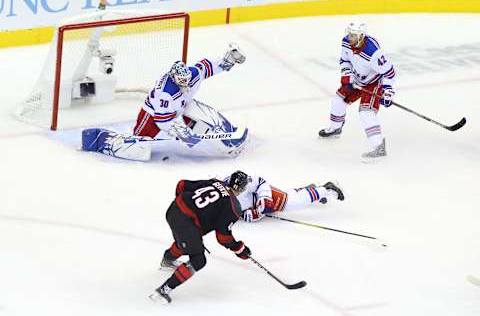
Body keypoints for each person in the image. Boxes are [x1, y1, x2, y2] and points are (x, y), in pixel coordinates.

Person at [81, 43, 248, 161]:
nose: (186, 84)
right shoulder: (166, 94)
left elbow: (208, 65)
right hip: (153, 114)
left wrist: (228, 59)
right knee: (139, 148)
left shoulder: (192, 73)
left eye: (187, 80)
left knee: (206, 117)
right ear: (174, 78)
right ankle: (105, 140)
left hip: (182, 106)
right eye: (181, 81)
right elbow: (163, 120)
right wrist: (181, 131)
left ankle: (231, 139)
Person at [149, 176, 251, 304]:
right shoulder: (233, 208)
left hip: (173, 209)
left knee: (185, 242)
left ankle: (167, 261)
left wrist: (181, 210)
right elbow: (223, 237)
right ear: (241, 189)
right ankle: (163, 291)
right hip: (186, 222)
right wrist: (239, 249)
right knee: (198, 260)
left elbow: (181, 185)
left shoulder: (215, 182)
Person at [318, 22, 396, 159]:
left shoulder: (373, 52)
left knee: (366, 113)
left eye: (353, 35)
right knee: (338, 100)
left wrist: (388, 93)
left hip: (373, 83)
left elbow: (389, 73)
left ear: (361, 36)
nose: (349, 37)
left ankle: (379, 148)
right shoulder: (346, 42)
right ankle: (336, 128)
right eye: (349, 34)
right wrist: (348, 76)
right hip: (357, 80)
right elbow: (344, 61)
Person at [223, 170, 345, 222]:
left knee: (294, 202)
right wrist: (249, 215)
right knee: (291, 196)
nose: (243, 189)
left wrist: (264, 199)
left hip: (264, 198)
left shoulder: (244, 182)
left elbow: (261, 182)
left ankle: (326, 189)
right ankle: (313, 191)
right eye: (240, 189)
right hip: (256, 205)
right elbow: (232, 214)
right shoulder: (224, 197)